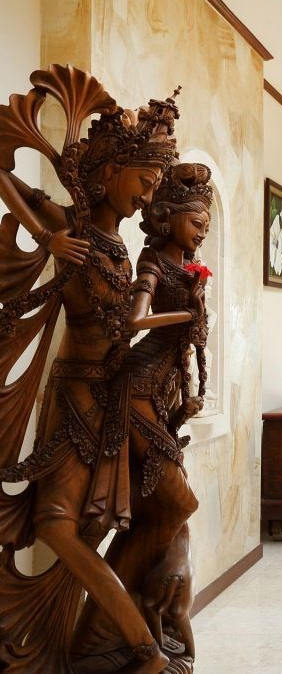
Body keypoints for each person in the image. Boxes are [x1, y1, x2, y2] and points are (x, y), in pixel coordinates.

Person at [0, 65, 179, 673]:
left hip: (116, 398)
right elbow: (4, 175)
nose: (148, 196)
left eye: (155, 185)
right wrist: (42, 237)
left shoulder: (123, 248)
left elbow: (126, 324)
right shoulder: (69, 227)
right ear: (110, 172)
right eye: (144, 181)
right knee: (56, 526)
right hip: (77, 395)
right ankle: (141, 647)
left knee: (93, 522)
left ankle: (128, 643)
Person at [72, 162, 211, 667]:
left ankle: (108, 626)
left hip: (161, 395)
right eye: (195, 222)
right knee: (178, 503)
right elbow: (134, 321)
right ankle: (103, 628)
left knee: (162, 511)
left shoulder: (189, 267)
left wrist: (187, 398)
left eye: (206, 224)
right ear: (167, 216)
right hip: (134, 388)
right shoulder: (153, 261)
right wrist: (186, 315)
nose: (201, 231)